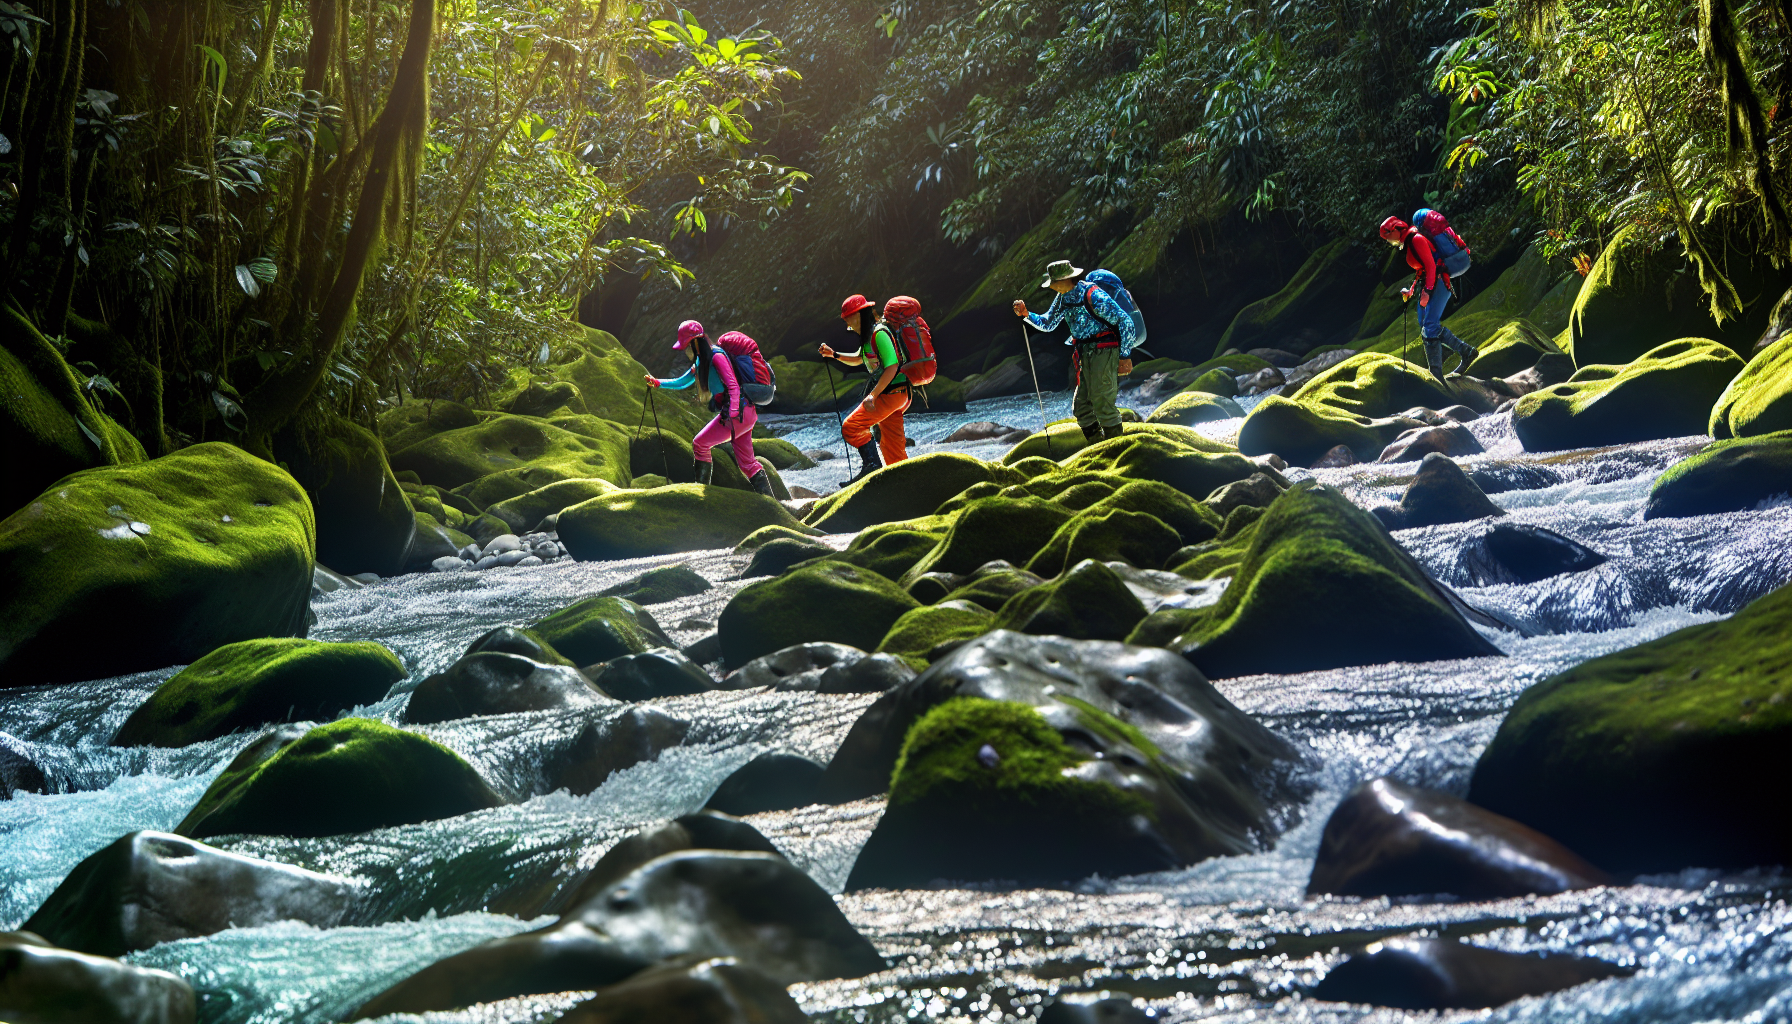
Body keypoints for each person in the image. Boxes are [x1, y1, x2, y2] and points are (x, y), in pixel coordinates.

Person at [1012, 259, 1138, 444]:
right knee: (1081, 408)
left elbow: (1125, 321)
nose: (1052, 286)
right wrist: (1026, 315)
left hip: (1104, 350)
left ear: (1066, 279)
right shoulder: (1063, 297)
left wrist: (1125, 355)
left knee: (1103, 402)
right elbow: (1049, 323)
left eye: (1054, 282)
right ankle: (1098, 446)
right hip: (1083, 352)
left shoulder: (1093, 295)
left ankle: (1116, 448)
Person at [643, 319, 774, 496]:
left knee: (700, 444)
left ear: (696, 342)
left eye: (687, 345)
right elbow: (682, 382)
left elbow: (733, 387)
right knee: (748, 464)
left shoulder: (717, 357)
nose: (686, 350)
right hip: (746, 414)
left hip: (737, 415)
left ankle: (702, 494)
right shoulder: (702, 362)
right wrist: (658, 383)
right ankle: (771, 505)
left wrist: (732, 415)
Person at [820, 294, 910, 481]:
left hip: (891, 393)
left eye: (849, 317)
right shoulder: (869, 337)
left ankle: (872, 467)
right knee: (892, 449)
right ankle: (904, 483)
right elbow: (859, 358)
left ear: (860, 314)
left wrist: (873, 395)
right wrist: (834, 355)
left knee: (851, 427)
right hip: (895, 393)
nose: (847, 322)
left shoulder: (880, 334)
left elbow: (892, 366)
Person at [1380, 215, 1478, 379]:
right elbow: (1422, 268)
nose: (1388, 241)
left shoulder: (1416, 239)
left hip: (1438, 283)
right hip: (1429, 283)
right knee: (1425, 325)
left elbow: (1432, 266)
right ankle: (1455, 356)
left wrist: (1427, 291)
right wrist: (1412, 290)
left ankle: (1441, 369)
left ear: (1396, 229)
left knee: (1430, 325)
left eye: (1387, 236)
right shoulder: (1410, 242)